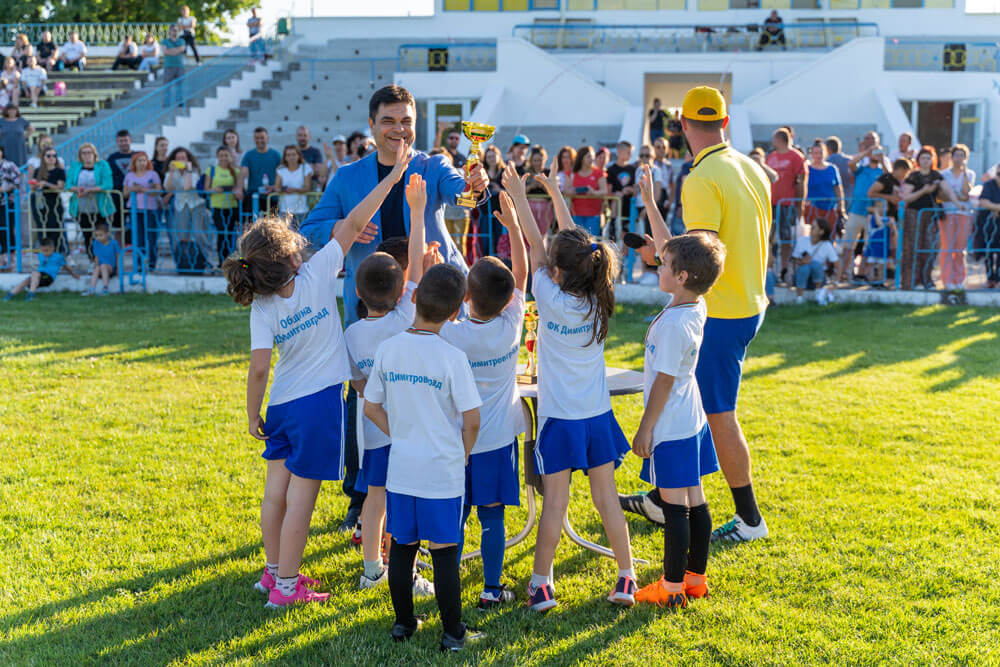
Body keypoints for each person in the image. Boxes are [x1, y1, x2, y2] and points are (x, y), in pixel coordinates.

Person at [299, 85, 489, 534]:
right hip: (373, 312)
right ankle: (360, 497)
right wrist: (344, 226)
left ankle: (446, 489)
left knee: (439, 396)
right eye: (389, 120)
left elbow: (462, 194)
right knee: (365, 400)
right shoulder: (348, 177)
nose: (398, 129)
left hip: (431, 307)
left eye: (406, 121)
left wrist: (476, 186)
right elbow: (311, 228)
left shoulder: (433, 165)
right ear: (371, 125)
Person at [225, 152, 400, 608]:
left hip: (282, 405)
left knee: (275, 495)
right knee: (302, 501)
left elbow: (259, 368)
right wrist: (392, 179)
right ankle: (286, 588)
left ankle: (271, 573)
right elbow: (356, 221)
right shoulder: (318, 271)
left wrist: (252, 414)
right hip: (318, 406)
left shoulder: (263, 305)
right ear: (290, 255)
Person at [621, 87, 772, 544]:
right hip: (746, 302)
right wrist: (656, 222)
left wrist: (660, 256)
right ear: (724, 123)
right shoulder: (750, 166)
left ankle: (750, 519)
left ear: (682, 125)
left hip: (720, 312)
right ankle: (663, 498)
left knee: (717, 413)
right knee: (694, 408)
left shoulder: (702, 177)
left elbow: (697, 259)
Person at [505, 160, 637, 612]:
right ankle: (626, 576)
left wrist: (521, 196)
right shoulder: (600, 297)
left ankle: (542, 584)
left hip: (560, 420)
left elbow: (538, 248)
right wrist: (556, 194)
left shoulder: (548, 297)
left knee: (555, 506)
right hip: (597, 418)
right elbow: (571, 247)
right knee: (607, 500)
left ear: (559, 271)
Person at [363, 262, 485, 651]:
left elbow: (370, 407)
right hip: (441, 473)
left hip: (402, 470)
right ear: (456, 311)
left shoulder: (389, 348)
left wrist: (400, 433)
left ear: (413, 297)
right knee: (444, 552)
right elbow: (472, 420)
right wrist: (462, 453)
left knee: (402, 547)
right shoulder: (452, 357)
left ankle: (403, 623)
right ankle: (453, 633)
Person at [345, 174, 434, 595]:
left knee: (375, 497)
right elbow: (415, 260)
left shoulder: (351, 335)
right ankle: (407, 574)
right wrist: (417, 212)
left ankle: (371, 570)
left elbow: (356, 382)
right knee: (404, 502)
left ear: (357, 292)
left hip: (372, 433)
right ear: (403, 291)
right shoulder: (404, 318)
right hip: (409, 429)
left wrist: (372, 391)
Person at [630, 228, 726, 608]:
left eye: (664, 264)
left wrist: (645, 429)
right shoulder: (695, 304)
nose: (658, 266)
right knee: (695, 499)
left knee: (674, 509)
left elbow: (664, 382)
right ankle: (695, 580)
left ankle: (670, 589)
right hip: (692, 418)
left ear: (683, 276)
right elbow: (677, 252)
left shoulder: (673, 326)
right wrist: (650, 206)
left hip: (671, 426)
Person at [442, 191, 527, 611]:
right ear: (508, 300)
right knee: (492, 516)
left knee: (456, 516)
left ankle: (450, 586)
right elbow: (522, 275)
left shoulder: (452, 333)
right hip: (497, 441)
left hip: (457, 442)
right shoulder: (512, 324)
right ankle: (491, 589)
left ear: (466, 297)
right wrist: (514, 227)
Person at [900, 146, 958, 290]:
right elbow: (906, 197)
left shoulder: (936, 176)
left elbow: (948, 191)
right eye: (923, 158)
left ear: (932, 160)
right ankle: (911, 281)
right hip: (914, 214)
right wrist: (923, 191)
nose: (925, 161)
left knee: (930, 247)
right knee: (913, 247)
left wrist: (957, 203)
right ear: (918, 160)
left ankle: (926, 279)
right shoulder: (913, 176)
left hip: (931, 215)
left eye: (928, 158)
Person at [839, 132, 889, 283]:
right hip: (856, 210)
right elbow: (851, 164)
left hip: (872, 214)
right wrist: (866, 153)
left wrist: (882, 160)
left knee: (869, 246)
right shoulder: (863, 168)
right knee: (848, 244)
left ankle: (863, 274)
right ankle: (844, 272)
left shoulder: (881, 171)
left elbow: (890, 178)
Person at [766, 127, 806, 281]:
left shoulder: (796, 157)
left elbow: (801, 181)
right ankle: (769, 268)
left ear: (779, 140)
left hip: (787, 204)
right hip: (771, 204)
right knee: (769, 237)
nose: (772, 142)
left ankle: (785, 268)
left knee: (786, 238)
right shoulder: (772, 156)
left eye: (773, 139)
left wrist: (800, 204)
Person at [164, 147, 212, 267]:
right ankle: (183, 262)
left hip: (196, 204)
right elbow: (168, 188)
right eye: (178, 158)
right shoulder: (171, 173)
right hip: (181, 205)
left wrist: (189, 170)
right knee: (182, 235)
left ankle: (207, 259)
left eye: (183, 158)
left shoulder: (194, 171)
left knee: (199, 233)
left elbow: (187, 187)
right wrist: (171, 172)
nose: (181, 160)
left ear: (188, 159)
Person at [865, 157, 910, 281]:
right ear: (900, 169)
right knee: (877, 247)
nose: (905, 175)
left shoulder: (898, 182)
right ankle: (868, 274)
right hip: (881, 217)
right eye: (905, 172)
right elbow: (870, 193)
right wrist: (889, 198)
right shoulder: (886, 178)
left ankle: (890, 272)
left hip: (892, 217)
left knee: (892, 247)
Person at [938, 144, 975, 290]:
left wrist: (964, 172)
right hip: (948, 213)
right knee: (947, 247)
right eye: (956, 155)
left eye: (962, 156)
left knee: (960, 249)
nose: (958, 158)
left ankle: (959, 280)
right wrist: (956, 198)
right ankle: (947, 280)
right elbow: (941, 195)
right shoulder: (943, 174)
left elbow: (966, 194)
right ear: (951, 157)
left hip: (963, 213)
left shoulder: (970, 174)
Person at [67, 143, 114, 257]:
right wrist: (78, 189)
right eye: (84, 153)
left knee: (102, 234)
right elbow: (68, 184)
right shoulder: (75, 166)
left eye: (89, 152)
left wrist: (90, 190)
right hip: (82, 207)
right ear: (80, 155)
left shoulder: (102, 165)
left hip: (100, 207)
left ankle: (105, 259)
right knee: (87, 234)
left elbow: (108, 184)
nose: (87, 155)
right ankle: (92, 259)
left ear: (94, 154)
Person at [4, 237, 78, 301]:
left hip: (48, 277)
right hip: (38, 277)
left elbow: (66, 267)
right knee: (26, 280)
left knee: (35, 273)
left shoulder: (58, 257)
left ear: (53, 248)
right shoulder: (41, 254)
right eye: (42, 250)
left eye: (46, 250)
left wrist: (73, 274)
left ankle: (31, 295)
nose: (44, 253)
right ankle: (10, 295)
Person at [123, 151, 163, 270]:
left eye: (144, 160)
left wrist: (145, 190)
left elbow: (159, 191)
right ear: (134, 163)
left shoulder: (153, 174)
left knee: (151, 236)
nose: (142, 163)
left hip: (150, 209)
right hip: (135, 209)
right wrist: (133, 189)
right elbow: (124, 193)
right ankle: (139, 263)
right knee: (138, 236)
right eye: (139, 160)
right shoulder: (129, 175)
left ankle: (152, 262)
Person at [209, 146, 243, 265]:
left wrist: (232, 190)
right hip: (217, 207)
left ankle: (233, 261)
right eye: (221, 155)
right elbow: (206, 188)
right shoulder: (212, 170)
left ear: (230, 157)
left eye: (226, 155)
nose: (223, 158)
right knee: (222, 233)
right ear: (217, 157)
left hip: (232, 207)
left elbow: (240, 188)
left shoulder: (236, 171)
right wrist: (214, 189)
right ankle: (222, 262)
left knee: (231, 235)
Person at [792, 218, 839, 305]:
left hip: (819, 279)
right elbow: (793, 260)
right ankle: (799, 298)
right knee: (805, 268)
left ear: (821, 232)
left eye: (813, 227)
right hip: (801, 277)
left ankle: (818, 294)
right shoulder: (802, 240)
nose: (811, 229)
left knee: (815, 264)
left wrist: (835, 283)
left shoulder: (826, 245)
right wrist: (801, 262)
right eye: (811, 226)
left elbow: (838, 265)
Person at [29, 146, 64, 252]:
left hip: (54, 204)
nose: (52, 158)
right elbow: (32, 187)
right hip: (39, 203)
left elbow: (60, 187)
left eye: (54, 155)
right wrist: (35, 185)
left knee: (54, 231)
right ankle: (44, 256)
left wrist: (46, 184)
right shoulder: (38, 171)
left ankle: (55, 255)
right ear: (43, 157)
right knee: (42, 231)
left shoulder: (59, 171)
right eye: (48, 156)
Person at [240, 127, 281, 217]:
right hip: (254, 196)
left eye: (262, 138)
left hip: (271, 196)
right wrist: (239, 188)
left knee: (271, 224)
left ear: (267, 138)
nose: (259, 140)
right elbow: (243, 173)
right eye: (257, 138)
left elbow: (281, 174)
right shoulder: (248, 155)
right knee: (251, 223)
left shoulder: (276, 155)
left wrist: (274, 187)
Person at [804, 142, 845, 231]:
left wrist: (841, 206)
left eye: (821, 153)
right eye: (816, 153)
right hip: (812, 208)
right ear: (811, 154)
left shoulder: (832, 169)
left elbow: (838, 188)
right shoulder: (807, 168)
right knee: (813, 233)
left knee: (830, 233)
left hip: (830, 208)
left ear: (825, 153)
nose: (818, 155)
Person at [570, 145, 607, 237]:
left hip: (594, 215)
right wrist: (573, 192)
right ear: (582, 158)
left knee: (591, 240)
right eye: (589, 156)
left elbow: (604, 191)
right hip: (575, 214)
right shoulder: (573, 173)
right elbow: (565, 190)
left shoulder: (598, 172)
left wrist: (593, 192)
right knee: (577, 240)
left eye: (593, 156)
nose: (592, 159)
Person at [274, 145, 314, 227]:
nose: (291, 157)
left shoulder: (305, 168)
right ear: (285, 157)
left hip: (302, 210)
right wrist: (282, 189)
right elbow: (277, 187)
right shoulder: (281, 170)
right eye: (288, 155)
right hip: (285, 209)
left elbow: (308, 187)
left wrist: (294, 190)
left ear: (299, 156)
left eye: (293, 154)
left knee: (302, 233)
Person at [974, 165, 1000, 288]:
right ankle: (990, 278)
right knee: (988, 251)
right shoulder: (989, 184)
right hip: (989, 224)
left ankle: (998, 278)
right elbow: (983, 201)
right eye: (999, 174)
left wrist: (994, 207)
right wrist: (997, 208)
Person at [107, 130, 135, 238]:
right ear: (117, 142)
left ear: (130, 140)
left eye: (125, 140)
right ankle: (119, 248)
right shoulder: (112, 158)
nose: (123, 143)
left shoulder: (137, 156)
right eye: (121, 141)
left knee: (137, 225)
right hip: (117, 197)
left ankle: (136, 247)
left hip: (134, 196)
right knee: (118, 227)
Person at [607, 141, 637, 238]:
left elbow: (636, 189)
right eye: (628, 152)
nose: (630, 155)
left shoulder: (633, 169)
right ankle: (612, 226)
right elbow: (608, 192)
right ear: (619, 151)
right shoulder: (611, 169)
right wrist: (617, 194)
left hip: (629, 209)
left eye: (630, 152)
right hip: (616, 209)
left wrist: (629, 190)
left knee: (627, 239)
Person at [0, 145, 23, 269]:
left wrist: (5, 189)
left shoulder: (10, 165)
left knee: (8, 229)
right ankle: (2, 258)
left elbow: (18, 182)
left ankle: (11, 258)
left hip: (7, 203)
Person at [84, 221, 121, 296]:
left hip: (111, 268)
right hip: (101, 268)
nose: (98, 237)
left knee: (103, 266)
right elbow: (96, 257)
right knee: (97, 268)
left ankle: (105, 289)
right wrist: (95, 267)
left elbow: (118, 257)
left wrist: (118, 269)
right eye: (97, 235)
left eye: (101, 235)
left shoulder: (114, 243)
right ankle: (92, 289)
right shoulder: (96, 243)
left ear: (108, 234)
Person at [161, 25, 186, 106]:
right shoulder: (165, 41)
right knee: (167, 87)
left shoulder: (181, 40)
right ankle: (166, 104)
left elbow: (182, 49)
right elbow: (165, 51)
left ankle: (180, 104)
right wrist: (177, 50)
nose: (175, 32)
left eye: (176, 30)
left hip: (180, 67)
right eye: (173, 30)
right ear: (169, 31)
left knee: (180, 87)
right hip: (168, 67)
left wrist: (170, 51)